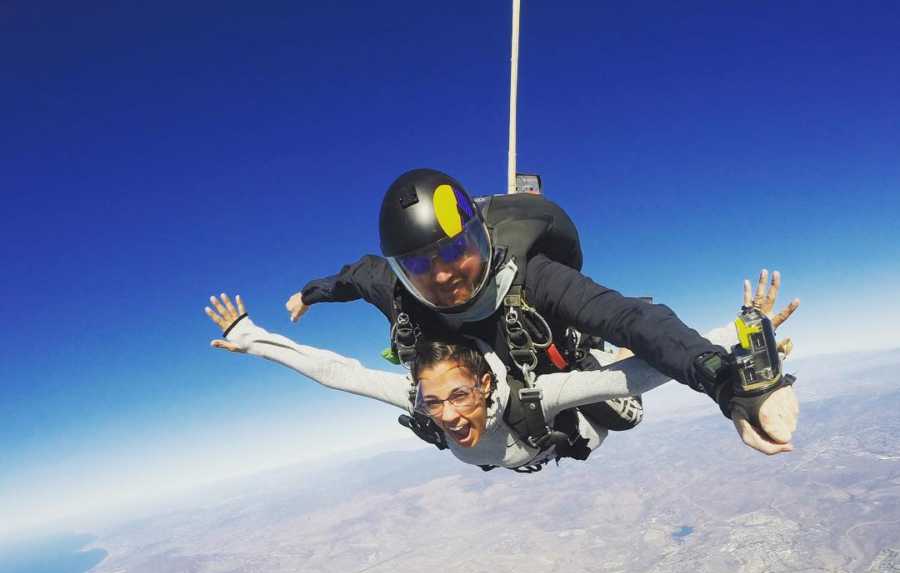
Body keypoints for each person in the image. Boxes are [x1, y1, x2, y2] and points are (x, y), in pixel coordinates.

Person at [283, 168, 800, 452]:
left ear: (482, 237)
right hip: (490, 388)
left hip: (553, 364)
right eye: (421, 266)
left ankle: (594, 356)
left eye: (451, 252)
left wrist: (727, 381)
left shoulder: (534, 278)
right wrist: (309, 293)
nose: (442, 275)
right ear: (403, 273)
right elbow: (355, 274)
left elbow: (632, 320)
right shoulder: (397, 292)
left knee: (618, 418)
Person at [203, 280, 799, 472]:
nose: (447, 415)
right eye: (434, 403)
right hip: (534, 438)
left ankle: (581, 342)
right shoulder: (419, 398)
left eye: (457, 396)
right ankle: (584, 347)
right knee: (610, 383)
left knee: (619, 404)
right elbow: (335, 371)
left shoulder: (533, 394)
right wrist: (249, 337)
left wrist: (741, 338)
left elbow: (637, 378)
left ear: (486, 386)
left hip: (571, 419)